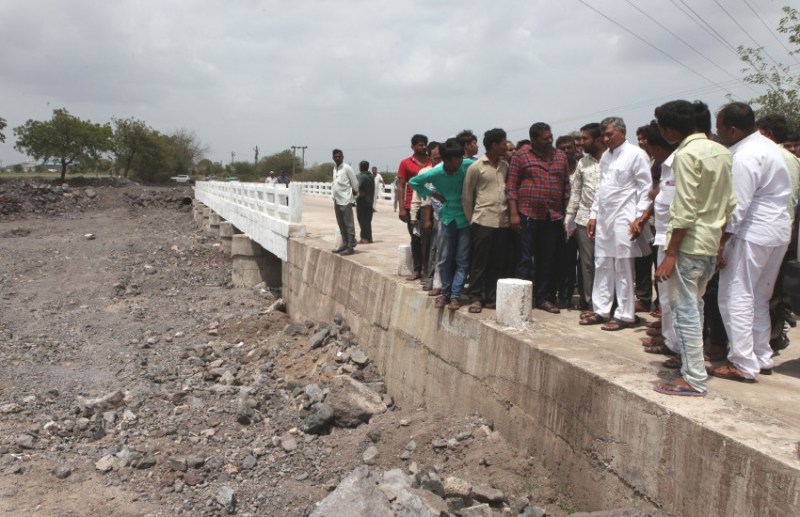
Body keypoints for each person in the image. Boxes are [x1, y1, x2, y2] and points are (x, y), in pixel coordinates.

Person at [652, 100, 734, 397]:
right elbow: (730, 203)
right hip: (710, 243)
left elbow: (684, 208)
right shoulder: (722, 151)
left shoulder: (685, 155)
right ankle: (693, 369)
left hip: (688, 246)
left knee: (685, 310)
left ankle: (694, 378)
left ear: (670, 129)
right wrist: (720, 242)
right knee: (695, 308)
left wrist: (670, 253)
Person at [713, 102, 792, 383]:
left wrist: (720, 243)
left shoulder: (745, 156)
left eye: (719, 127)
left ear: (733, 129)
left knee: (735, 295)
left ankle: (743, 362)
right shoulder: (769, 146)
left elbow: (737, 207)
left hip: (751, 232)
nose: (717, 132)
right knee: (759, 296)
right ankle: (761, 355)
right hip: (776, 231)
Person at [581, 117, 652, 330]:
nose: (606, 138)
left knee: (623, 265)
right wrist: (593, 216)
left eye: (609, 134)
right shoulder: (605, 157)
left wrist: (640, 218)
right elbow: (601, 189)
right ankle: (601, 310)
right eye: (603, 135)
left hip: (625, 216)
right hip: (604, 217)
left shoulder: (636, 155)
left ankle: (625, 314)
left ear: (622, 132)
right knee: (602, 263)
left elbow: (645, 189)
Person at [506, 122, 571, 313]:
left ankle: (543, 298)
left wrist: (566, 212)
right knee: (525, 259)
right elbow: (511, 187)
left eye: (551, 136)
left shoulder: (560, 156)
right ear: (534, 139)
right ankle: (520, 301)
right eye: (545, 138)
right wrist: (514, 214)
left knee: (547, 260)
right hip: (527, 214)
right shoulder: (522, 155)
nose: (550, 141)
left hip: (553, 216)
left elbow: (566, 185)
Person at [632, 122, 680, 358]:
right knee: (666, 291)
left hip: (674, 238)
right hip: (662, 234)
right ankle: (669, 335)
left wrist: (671, 252)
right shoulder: (667, 165)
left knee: (673, 294)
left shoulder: (678, 163)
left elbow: (683, 208)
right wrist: (645, 216)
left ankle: (674, 344)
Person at [409, 139, 473, 311]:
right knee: (444, 259)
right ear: (447, 159)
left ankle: (455, 295)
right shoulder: (436, 174)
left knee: (462, 259)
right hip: (447, 218)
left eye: (461, 157)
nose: (460, 161)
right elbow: (414, 182)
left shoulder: (466, 165)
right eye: (456, 159)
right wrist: (433, 195)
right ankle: (446, 292)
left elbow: (479, 165)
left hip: (466, 218)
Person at [462, 128, 512, 313]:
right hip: (483, 220)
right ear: (494, 145)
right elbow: (467, 196)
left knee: (497, 262)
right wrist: (471, 219)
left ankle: (491, 297)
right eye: (503, 143)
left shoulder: (505, 166)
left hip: (502, 222)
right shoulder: (476, 167)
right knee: (479, 262)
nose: (506, 146)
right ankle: (475, 297)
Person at [565, 123, 604, 312]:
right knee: (587, 264)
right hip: (583, 218)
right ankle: (590, 302)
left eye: (585, 139)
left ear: (598, 140)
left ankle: (607, 303)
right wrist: (569, 217)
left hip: (608, 220)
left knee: (606, 262)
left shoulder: (611, 160)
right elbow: (577, 192)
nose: (581, 143)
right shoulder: (583, 163)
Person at [397, 134, 431, 280]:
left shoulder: (432, 162)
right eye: (420, 145)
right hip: (411, 205)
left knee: (429, 238)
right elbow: (401, 186)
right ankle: (417, 269)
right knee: (416, 237)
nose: (423, 147)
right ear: (413, 147)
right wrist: (402, 208)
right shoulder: (405, 163)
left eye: (424, 144)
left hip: (429, 204)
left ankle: (427, 269)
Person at [554, 134, 579, 308]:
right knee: (562, 260)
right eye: (562, 148)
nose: (566, 151)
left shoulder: (582, 168)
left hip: (582, 220)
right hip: (560, 220)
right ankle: (563, 295)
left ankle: (581, 296)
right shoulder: (554, 169)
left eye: (569, 147)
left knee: (581, 261)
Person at [330, 149, 359, 256]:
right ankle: (345, 244)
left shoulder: (347, 168)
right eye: (336, 156)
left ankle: (350, 246)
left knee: (349, 224)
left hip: (346, 200)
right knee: (341, 223)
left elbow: (355, 182)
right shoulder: (334, 168)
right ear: (333, 158)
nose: (338, 158)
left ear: (343, 157)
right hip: (337, 200)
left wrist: (354, 196)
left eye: (339, 156)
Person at [356, 160, 375, 244]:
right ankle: (369, 237)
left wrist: (359, 192)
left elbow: (358, 186)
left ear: (361, 167)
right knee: (368, 220)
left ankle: (364, 238)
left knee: (362, 220)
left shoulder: (361, 176)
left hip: (362, 201)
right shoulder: (371, 176)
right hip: (370, 201)